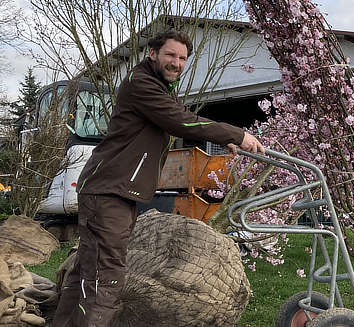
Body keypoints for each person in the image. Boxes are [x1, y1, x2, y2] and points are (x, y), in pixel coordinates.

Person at [53, 30, 265, 326]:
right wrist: (236, 134)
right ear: (152, 54)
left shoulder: (159, 87)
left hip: (112, 189)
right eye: (170, 55)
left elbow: (179, 113)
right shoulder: (142, 84)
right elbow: (180, 121)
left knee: (87, 270)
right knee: (107, 277)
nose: (176, 62)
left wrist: (223, 138)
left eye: (182, 58)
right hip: (108, 192)